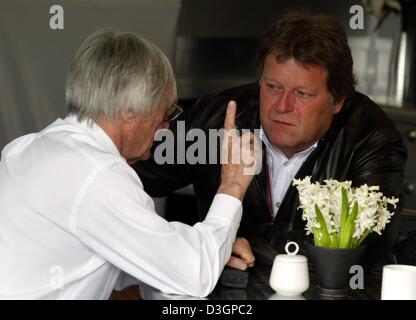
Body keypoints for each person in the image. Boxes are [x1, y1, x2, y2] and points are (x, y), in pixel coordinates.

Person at [134, 11, 408, 269]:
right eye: (273, 87)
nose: (282, 106)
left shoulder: (371, 140)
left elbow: (350, 249)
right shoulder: (216, 120)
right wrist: (183, 242)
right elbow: (127, 174)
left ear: (337, 101)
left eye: (302, 94)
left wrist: (221, 241)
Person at [0, 29, 258, 299]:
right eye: (165, 111)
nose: (166, 127)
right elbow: (195, 275)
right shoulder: (98, 174)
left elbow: (113, 252)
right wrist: (232, 184)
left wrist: (214, 246)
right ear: (129, 111)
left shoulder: (26, 148)